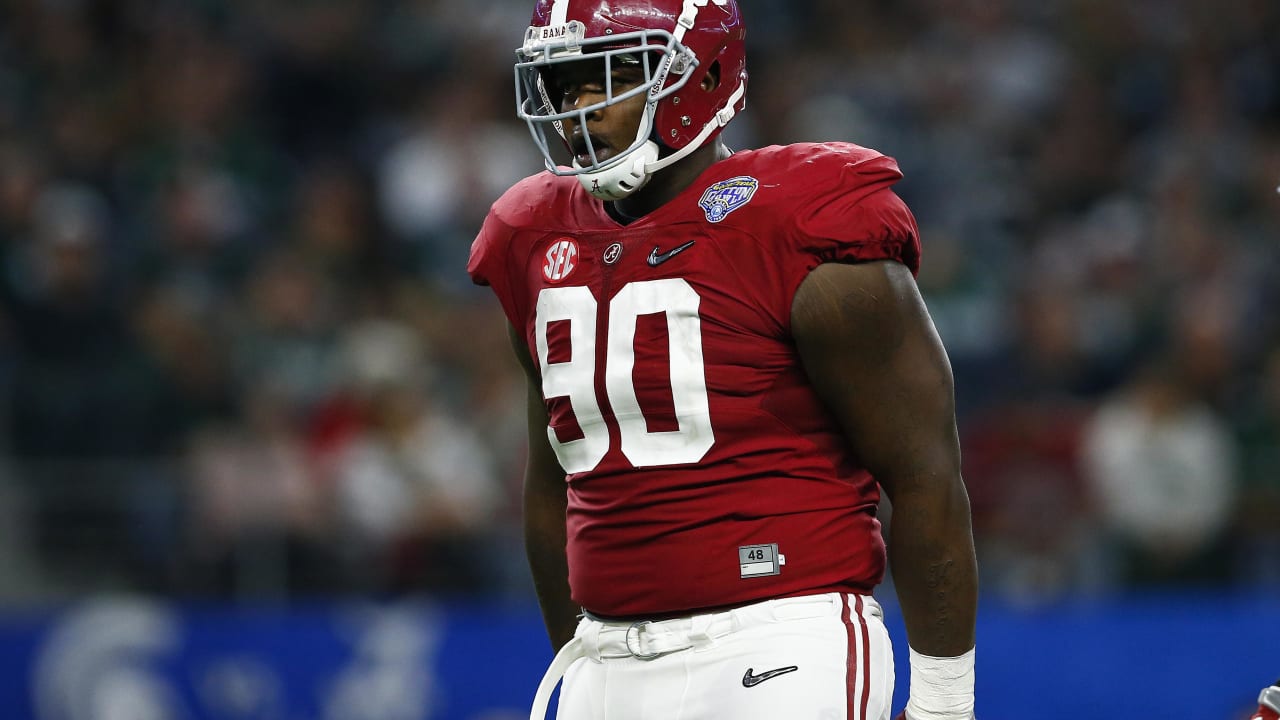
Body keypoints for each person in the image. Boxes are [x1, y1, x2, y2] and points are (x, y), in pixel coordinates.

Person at [467, 1, 978, 718]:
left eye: (607, 76)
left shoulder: (799, 222)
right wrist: (578, 652)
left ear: (698, 74)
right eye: (564, 84)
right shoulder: (530, 236)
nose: (578, 108)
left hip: (780, 640)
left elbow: (926, 473)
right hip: (608, 656)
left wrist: (945, 704)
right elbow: (554, 480)